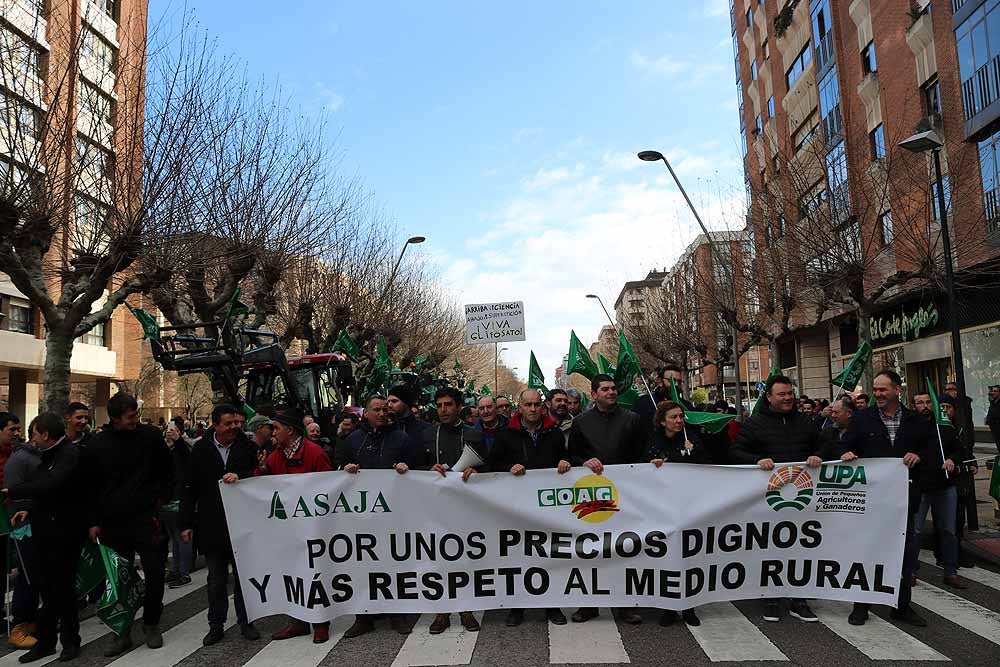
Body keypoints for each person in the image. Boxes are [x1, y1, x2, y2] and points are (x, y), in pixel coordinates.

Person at [841, 369, 931, 627]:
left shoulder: (916, 421)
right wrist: (846, 452)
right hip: (871, 501)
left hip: (904, 501)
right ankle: (861, 605)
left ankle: (901, 606)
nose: (878, 394)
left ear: (897, 390)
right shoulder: (862, 419)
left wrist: (919, 456)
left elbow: (930, 450)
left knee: (903, 556)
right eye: (876, 390)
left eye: (883, 390)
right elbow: (843, 445)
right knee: (867, 552)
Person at [731, 374, 822, 624]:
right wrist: (755, 460)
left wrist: (818, 455)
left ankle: (799, 599)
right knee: (770, 548)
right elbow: (736, 451)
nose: (787, 398)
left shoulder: (807, 422)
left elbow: (827, 446)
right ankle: (771, 598)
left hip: (803, 498)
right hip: (768, 499)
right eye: (781, 394)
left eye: (790, 393)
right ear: (769, 397)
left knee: (801, 548)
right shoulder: (754, 424)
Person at [88, 393, 174, 656]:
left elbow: (168, 471)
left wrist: (160, 500)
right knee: (118, 581)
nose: (135, 420)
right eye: (129, 417)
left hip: (147, 518)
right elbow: (89, 486)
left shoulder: (150, 437)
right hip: (113, 522)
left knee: (156, 572)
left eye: (136, 414)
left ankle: (151, 623)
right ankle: (122, 632)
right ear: (114, 418)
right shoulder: (98, 444)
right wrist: (93, 521)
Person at [4, 413, 88, 663]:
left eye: (35, 435)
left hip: (65, 533)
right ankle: (47, 641)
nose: (33, 441)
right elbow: (43, 492)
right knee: (47, 589)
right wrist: (27, 507)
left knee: (63, 589)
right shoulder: (48, 456)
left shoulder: (69, 455)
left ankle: (71, 641)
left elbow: (52, 485)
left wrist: (14, 491)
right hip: (44, 532)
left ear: (46, 435)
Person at [567, 374, 647, 625]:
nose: (611, 392)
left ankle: (626, 605)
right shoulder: (580, 422)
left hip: (626, 495)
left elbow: (642, 454)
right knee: (590, 550)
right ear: (594, 394)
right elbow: (572, 454)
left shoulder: (632, 419)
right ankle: (589, 604)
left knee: (623, 549)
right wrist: (583, 462)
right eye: (605, 389)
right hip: (592, 495)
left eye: (613, 389)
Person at [488, 389, 570, 627]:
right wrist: (508, 466)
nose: (533, 409)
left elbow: (565, 458)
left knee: (550, 554)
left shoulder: (553, 433)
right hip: (516, 508)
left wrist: (565, 462)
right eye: (528, 405)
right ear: (520, 407)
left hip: (547, 509)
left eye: (536, 404)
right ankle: (517, 606)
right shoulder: (506, 434)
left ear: (542, 407)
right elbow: (492, 465)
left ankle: (551, 605)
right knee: (518, 556)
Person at [181, 404, 260, 645]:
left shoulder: (248, 447)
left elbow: (260, 478)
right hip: (212, 524)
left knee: (243, 577)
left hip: (242, 524)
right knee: (215, 579)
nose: (235, 427)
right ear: (215, 425)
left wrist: (241, 477)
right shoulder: (200, 449)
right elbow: (189, 488)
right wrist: (186, 523)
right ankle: (216, 624)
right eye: (229, 423)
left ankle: (247, 621)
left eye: (237, 422)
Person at [341, 395, 416, 638]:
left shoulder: (402, 438)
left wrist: (407, 469)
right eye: (377, 409)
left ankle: (398, 614)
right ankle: (364, 617)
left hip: (394, 514)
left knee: (394, 564)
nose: (383, 413)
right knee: (363, 565)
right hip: (361, 516)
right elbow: (337, 469)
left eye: (386, 409)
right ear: (366, 414)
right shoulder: (353, 440)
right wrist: (346, 469)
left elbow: (418, 470)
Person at [257, 408, 334, 643]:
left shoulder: (315, 452)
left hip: (313, 527)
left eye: (276, 429)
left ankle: (321, 622)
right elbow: (264, 490)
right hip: (288, 529)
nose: (273, 433)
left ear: (290, 430)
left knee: (316, 573)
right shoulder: (274, 457)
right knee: (292, 574)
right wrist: (258, 473)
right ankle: (297, 622)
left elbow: (329, 486)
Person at [418, 387, 486, 634]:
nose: (443, 410)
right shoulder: (427, 435)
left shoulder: (473, 435)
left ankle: (466, 610)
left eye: (448, 405)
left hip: (464, 507)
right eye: (439, 405)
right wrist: (428, 469)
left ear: (458, 406)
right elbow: (414, 466)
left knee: (464, 558)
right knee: (438, 560)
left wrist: (477, 473)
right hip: (435, 507)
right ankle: (442, 612)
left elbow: (490, 468)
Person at [647, 400, 705, 627]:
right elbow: (639, 468)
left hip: (688, 507)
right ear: (663, 421)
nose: (679, 421)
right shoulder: (653, 442)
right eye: (674, 417)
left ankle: (688, 606)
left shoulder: (693, 439)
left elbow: (708, 466)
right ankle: (668, 607)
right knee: (665, 558)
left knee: (687, 557)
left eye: (681, 416)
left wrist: (693, 452)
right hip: (660, 509)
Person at [911, 394, 967, 589]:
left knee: (949, 531)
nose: (925, 406)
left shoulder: (944, 427)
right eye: (920, 403)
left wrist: (953, 459)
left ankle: (951, 571)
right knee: (915, 531)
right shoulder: (910, 427)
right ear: (914, 405)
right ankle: (910, 571)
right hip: (921, 487)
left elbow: (960, 450)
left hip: (945, 485)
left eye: (928, 402)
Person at [2, 412, 39, 651]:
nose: (17, 433)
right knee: (25, 573)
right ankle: (18, 626)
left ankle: (27, 620)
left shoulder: (16, 455)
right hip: (13, 524)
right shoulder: (18, 459)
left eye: (19, 429)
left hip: (15, 523)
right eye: (11, 429)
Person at [162, 424, 193, 590]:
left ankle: (184, 572)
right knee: (174, 538)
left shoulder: (182, 450)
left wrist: (179, 441)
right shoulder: (165, 451)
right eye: (167, 429)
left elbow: (186, 457)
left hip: (179, 498)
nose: (169, 432)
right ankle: (176, 570)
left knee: (182, 536)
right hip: (167, 499)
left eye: (174, 430)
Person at [986, 384, 1000, 454]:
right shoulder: (993, 402)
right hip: (995, 430)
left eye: (995, 391)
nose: (993, 393)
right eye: (993, 391)